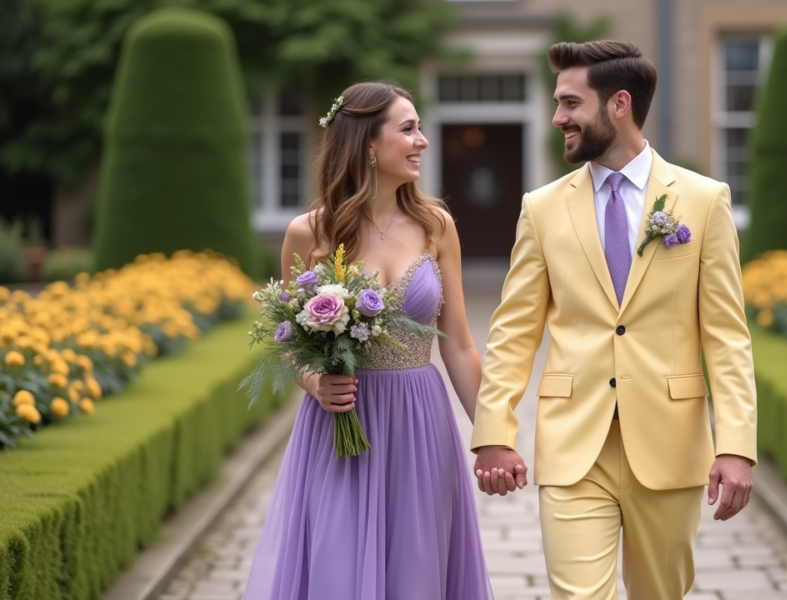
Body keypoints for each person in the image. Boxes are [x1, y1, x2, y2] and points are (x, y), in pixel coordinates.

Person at [470, 40, 758, 599]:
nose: (558, 118)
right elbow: (513, 333)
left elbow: (726, 336)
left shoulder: (703, 201)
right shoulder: (542, 208)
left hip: (670, 444)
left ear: (618, 104)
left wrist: (736, 446)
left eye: (570, 103)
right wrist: (493, 433)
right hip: (574, 444)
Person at [243, 81, 493, 600]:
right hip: (341, 425)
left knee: (416, 574)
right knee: (337, 571)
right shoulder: (307, 233)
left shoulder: (436, 227)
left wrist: (493, 435)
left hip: (420, 424)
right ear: (368, 145)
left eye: (420, 128)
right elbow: (289, 337)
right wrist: (314, 382)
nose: (423, 140)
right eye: (409, 129)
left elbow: (460, 344)